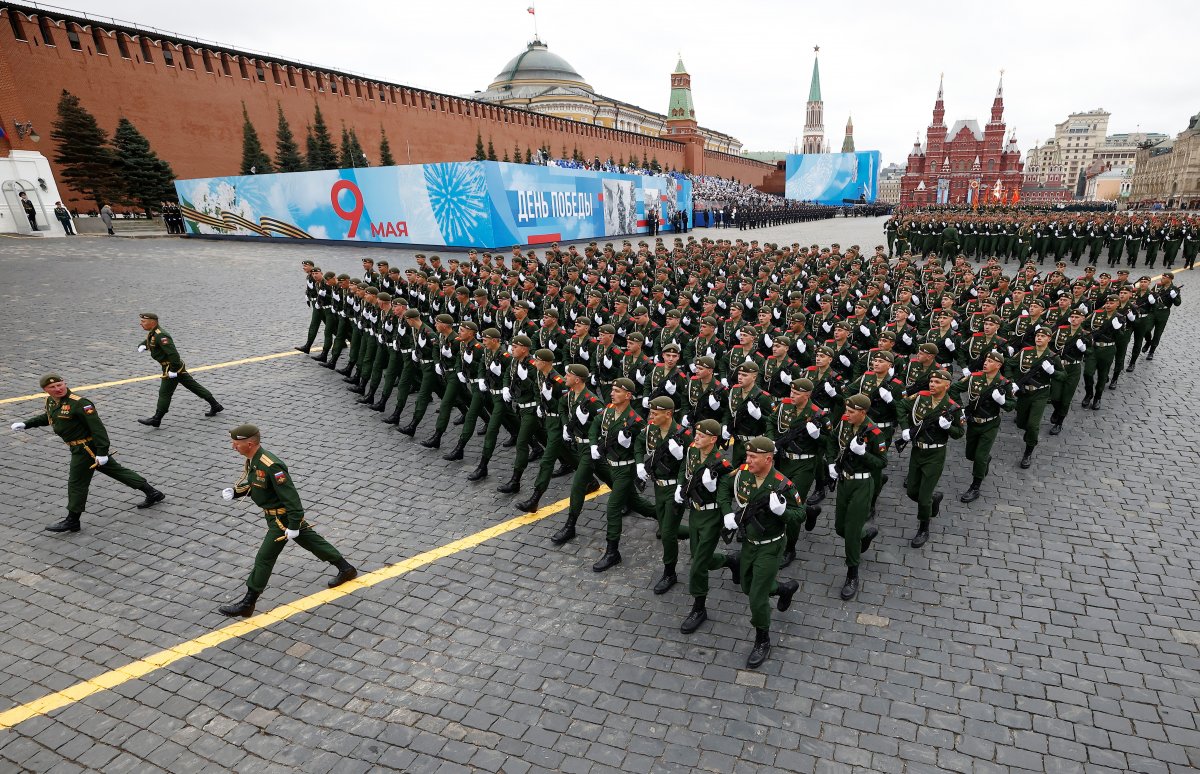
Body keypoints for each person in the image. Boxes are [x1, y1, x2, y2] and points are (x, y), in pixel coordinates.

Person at [217, 424, 357, 617]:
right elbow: (256, 484)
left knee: (264, 558)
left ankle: (248, 602)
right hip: (274, 516)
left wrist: (293, 525)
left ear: (249, 444)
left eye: (236, 443)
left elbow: (292, 499)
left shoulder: (271, 465)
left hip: (281, 519)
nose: (233, 447)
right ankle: (346, 568)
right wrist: (236, 492)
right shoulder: (254, 460)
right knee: (311, 541)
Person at [11, 374, 165, 532]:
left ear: (65, 383)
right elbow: (51, 417)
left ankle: (73, 519)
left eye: (60, 384)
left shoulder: (80, 403)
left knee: (77, 483)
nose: (58, 389)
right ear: (45, 390)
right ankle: (152, 492)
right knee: (116, 471)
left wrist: (102, 452)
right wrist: (26, 424)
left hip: (85, 448)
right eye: (52, 387)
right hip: (79, 447)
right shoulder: (51, 401)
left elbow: (97, 428)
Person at [723, 436, 802, 669]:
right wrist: (728, 512)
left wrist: (783, 512)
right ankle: (784, 589)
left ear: (768, 459)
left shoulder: (782, 485)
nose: (747, 460)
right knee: (748, 586)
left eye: (752, 457)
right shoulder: (744, 473)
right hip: (749, 543)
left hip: (771, 545)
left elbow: (800, 514)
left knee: (757, 597)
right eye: (747, 456)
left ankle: (762, 640)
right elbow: (723, 488)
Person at [895, 370, 965, 548]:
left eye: (937, 382)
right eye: (931, 381)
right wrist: (905, 428)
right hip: (917, 451)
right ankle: (933, 500)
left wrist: (948, 427)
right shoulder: (920, 397)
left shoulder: (953, 407)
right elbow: (901, 405)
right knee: (912, 491)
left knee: (923, 496)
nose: (932, 384)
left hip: (935, 454)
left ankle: (924, 528)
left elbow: (959, 433)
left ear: (947, 385)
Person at [830, 394, 887, 600]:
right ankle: (865, 534)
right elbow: (832, 441)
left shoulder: (874, 433)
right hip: (845, 481)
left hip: (863, 484)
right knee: (840, 528)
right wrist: (831, 463)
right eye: (846, 410)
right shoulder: (845, 423)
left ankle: (852, 574)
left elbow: (882, 463)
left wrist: (863, 454)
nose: (846, 414)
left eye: (851, 412)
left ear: (863, 413)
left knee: (851, 531)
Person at [639, 396, 692, 594]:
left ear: (668, 414)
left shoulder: (683, 435)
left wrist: (680, 484)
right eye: (650, 412)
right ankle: (698, 533)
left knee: (668, 533)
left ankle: (670, 572)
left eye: (655, 413)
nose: (650, 416)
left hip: (674, 490)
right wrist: (638, 463)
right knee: (666, 527)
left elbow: (690, 462)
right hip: (658, 488)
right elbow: (638, 441)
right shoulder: (652, 429)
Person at [135, 313, 223, 427]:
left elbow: (173, 354)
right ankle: (215, 405)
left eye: (143, 322)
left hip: (172, 367)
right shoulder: (154, 333)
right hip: (172, 367)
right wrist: (143, 345)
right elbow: (150, 340)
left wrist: (173, 370)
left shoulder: (161, 335)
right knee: (193, 386)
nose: (141, 324)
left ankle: (157, 419)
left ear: (153, 322)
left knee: (164, 393)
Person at [950, 350, 1013, 503]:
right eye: (986, 360)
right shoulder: (974, 377)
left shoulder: (1004, 384)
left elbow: (1012, 406)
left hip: (990, 424)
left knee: (979, 457)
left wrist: (1002, 401)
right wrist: (960, 408)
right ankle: (985, 459)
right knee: (970, 455)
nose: (986, 363)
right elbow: (954, 389)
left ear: (998, 365)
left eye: (991, 361)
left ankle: (975, 487)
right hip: (973, 422)